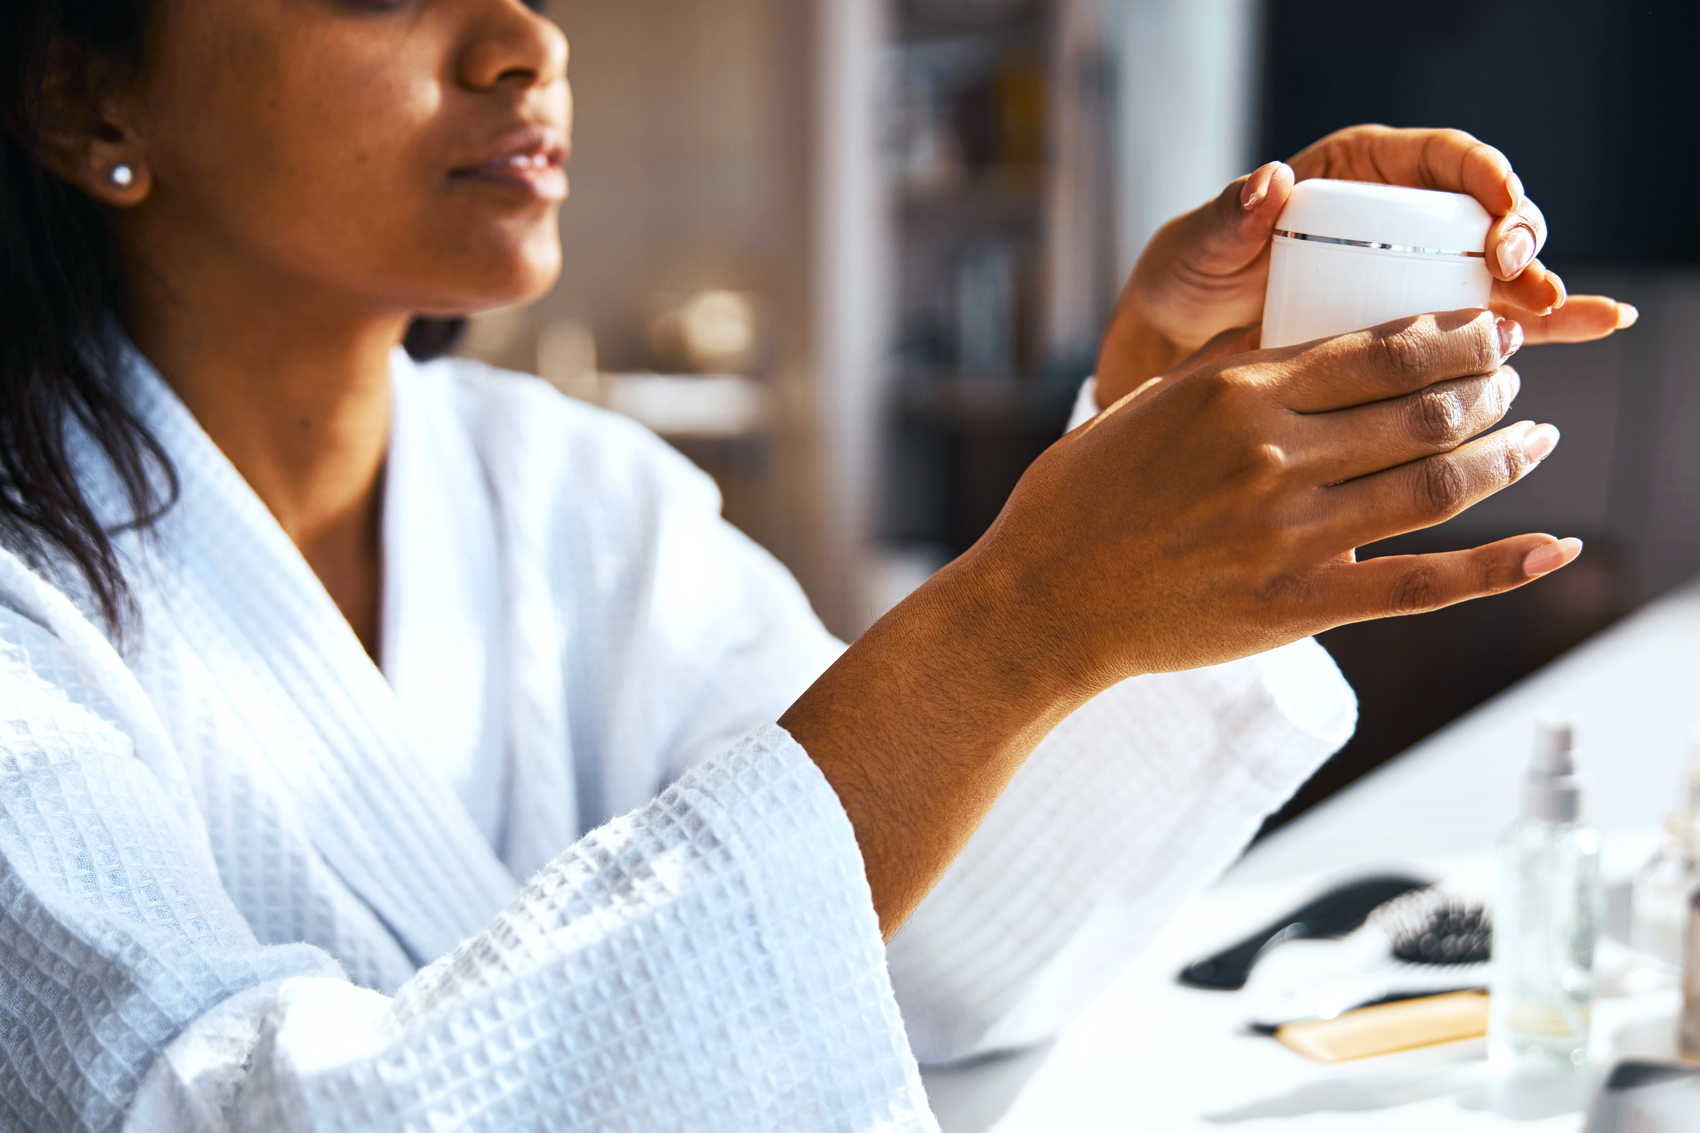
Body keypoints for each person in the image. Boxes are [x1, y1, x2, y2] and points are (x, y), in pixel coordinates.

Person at [0, 1, 1634, 1130]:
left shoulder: (581, 499)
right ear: (90, 102)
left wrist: (1125, 475)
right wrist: (1017, 618)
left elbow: (897, 966)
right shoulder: (28, 609)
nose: (526, 44)